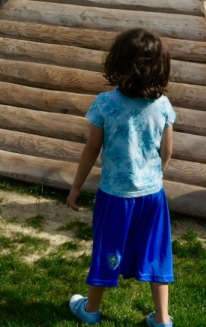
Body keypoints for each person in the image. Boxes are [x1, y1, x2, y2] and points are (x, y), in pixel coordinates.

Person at [66, 28, 176, 327]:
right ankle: (162, 319)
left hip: (115, 195)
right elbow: (167, 151)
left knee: (107, 247)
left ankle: (90, 311)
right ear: (160, 67)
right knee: (156, 250)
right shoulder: (163, 105)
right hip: (152, 195)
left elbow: (91, 148)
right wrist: (154, 175)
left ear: (117, 63)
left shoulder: (105, 103)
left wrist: (76, 187)